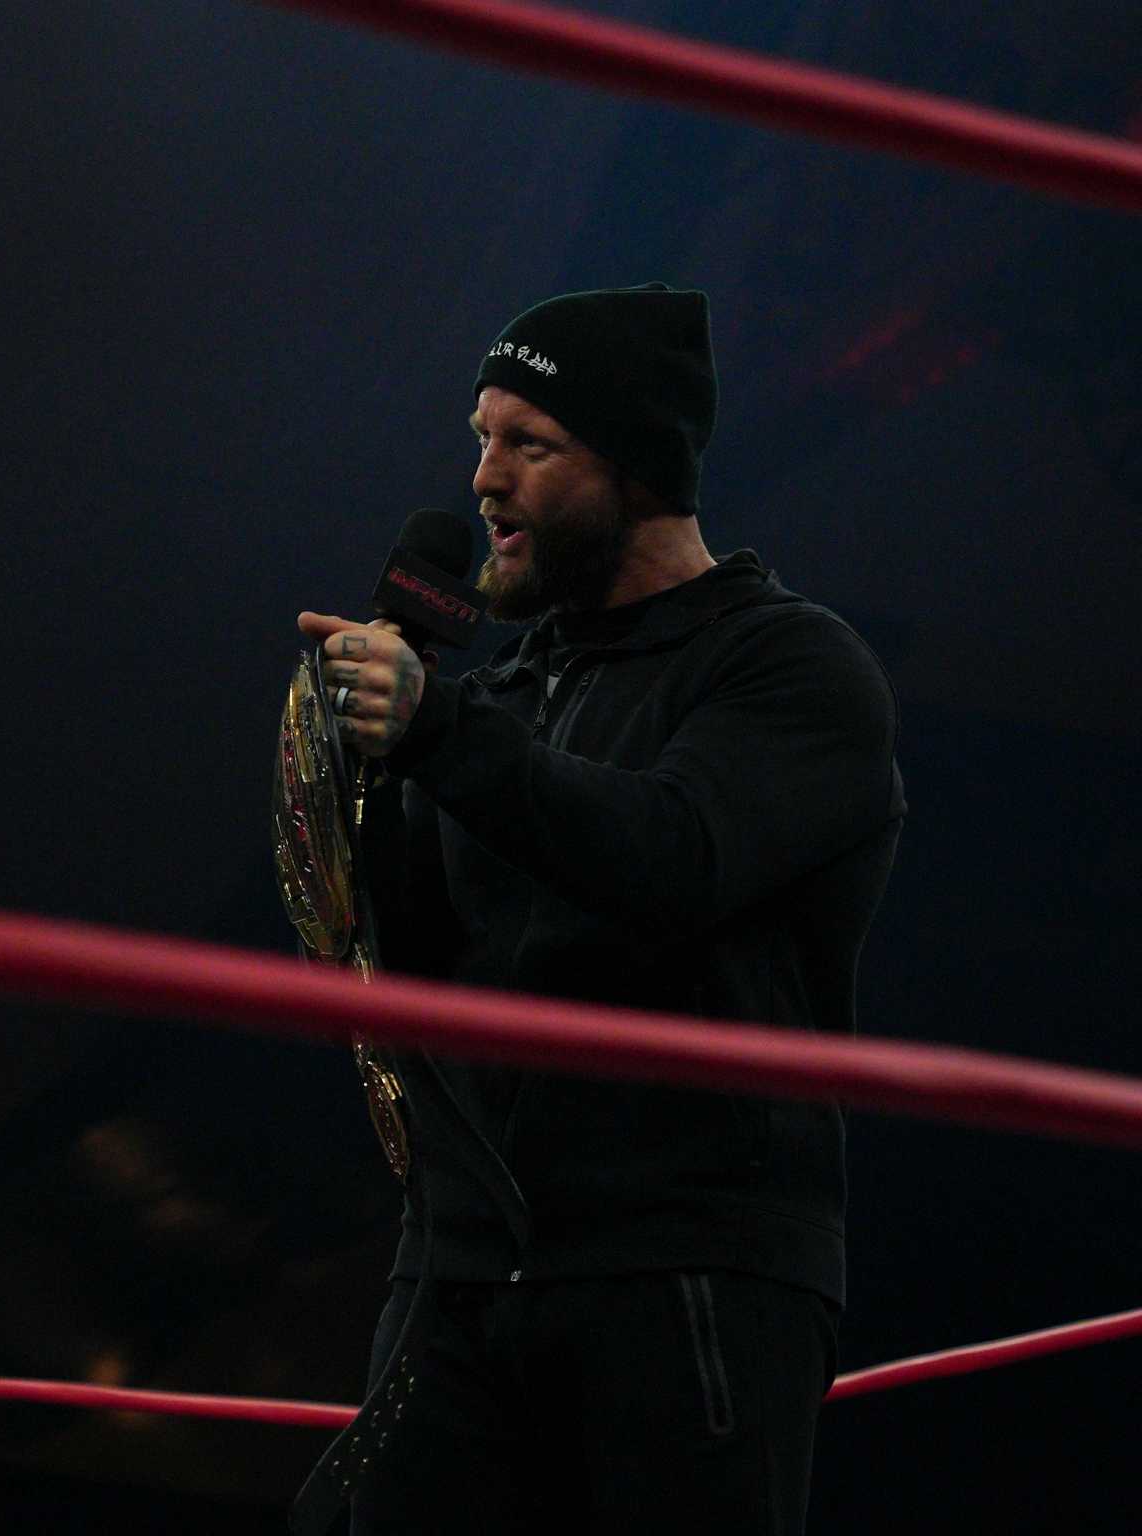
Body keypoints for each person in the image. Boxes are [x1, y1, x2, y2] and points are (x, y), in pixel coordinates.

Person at [290, 283, 905, 1536]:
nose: (484, 480)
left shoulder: (787, 665)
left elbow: (674, 858)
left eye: (530, 444)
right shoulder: (508, 692)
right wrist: (354, 791)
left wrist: (440, 732)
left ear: (634, 467)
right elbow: (420, 974)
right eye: (481, 438)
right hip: (466, 1269)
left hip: (684, 1268)